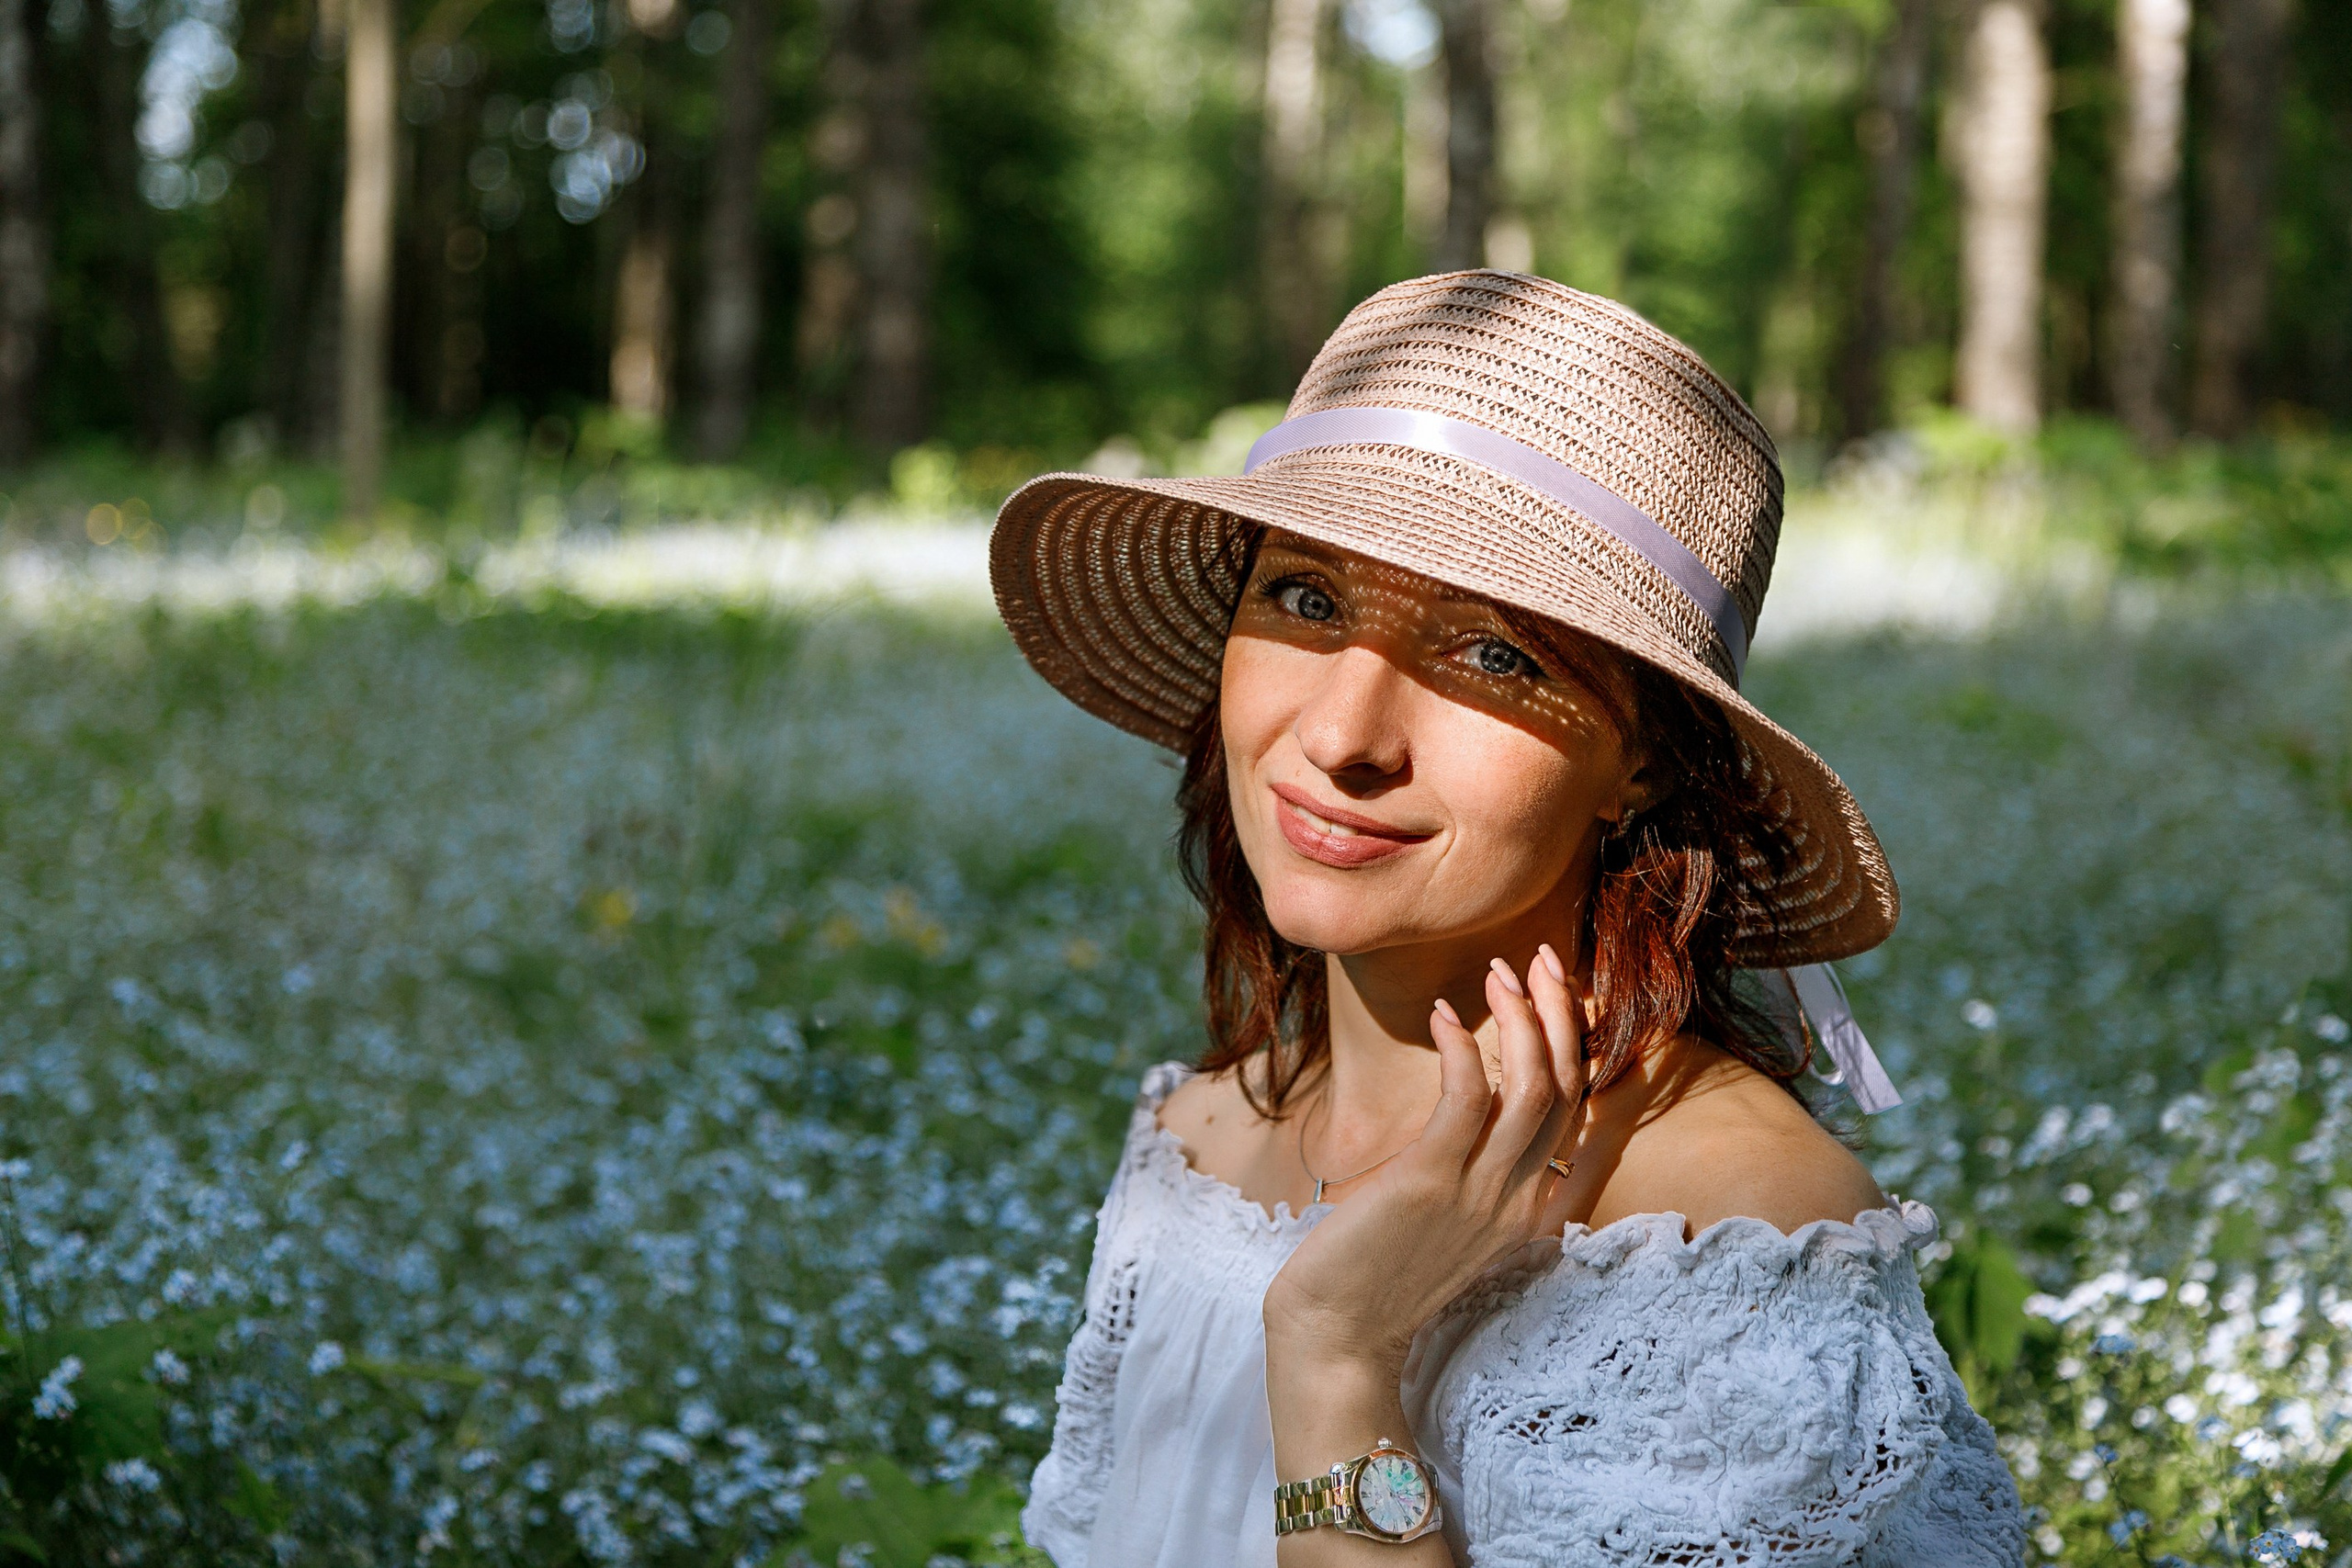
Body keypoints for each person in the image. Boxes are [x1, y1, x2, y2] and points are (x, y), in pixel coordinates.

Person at [986, 271, 2025, 1566]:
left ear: (1643, 763)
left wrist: (1339, 1355)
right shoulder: (1203, 1138)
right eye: (1306, 599)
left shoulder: (1733, 1241)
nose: (1343, 736)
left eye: (1495, 656)